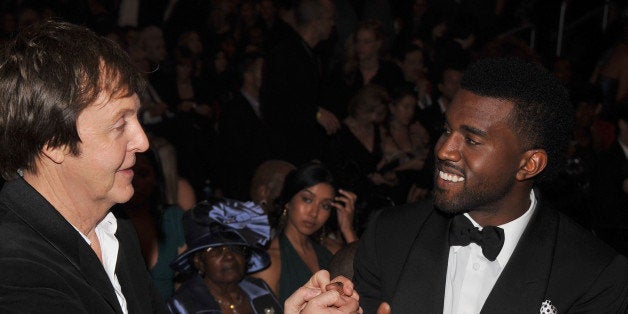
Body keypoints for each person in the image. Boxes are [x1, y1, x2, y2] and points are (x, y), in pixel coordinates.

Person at [354, 58, 628, 313]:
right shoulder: (388, 235)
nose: (444, 151)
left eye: (472, 140)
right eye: (447, 130)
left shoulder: (594, 275)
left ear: (528, 164)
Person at [0, 20, 166, 312]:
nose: (142, 141)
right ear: (53, 142)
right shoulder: (13, 265)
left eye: (137, 118)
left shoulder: (115, 229)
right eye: (119, 125)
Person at [252, 162, 358, 303]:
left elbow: (365, 283)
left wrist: (347, 229)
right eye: (307, 199)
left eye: (325, 205)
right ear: (288, 201)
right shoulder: (269, 261)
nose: (314, 213)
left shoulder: (331, 250)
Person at [167, 199, 283, 314]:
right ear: (199, 261)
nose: (229, 256)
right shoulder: (184, 305)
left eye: (236, 248)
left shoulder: (260, 291)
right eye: (216, 250)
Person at [260, 0, 340, 165]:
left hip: (305, 147)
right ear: (318, 21)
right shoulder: (285, 54)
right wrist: (314, 113)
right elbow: (277, 102)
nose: (333, 24)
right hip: (287, 151)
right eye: (330, 18)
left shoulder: (313, 54)